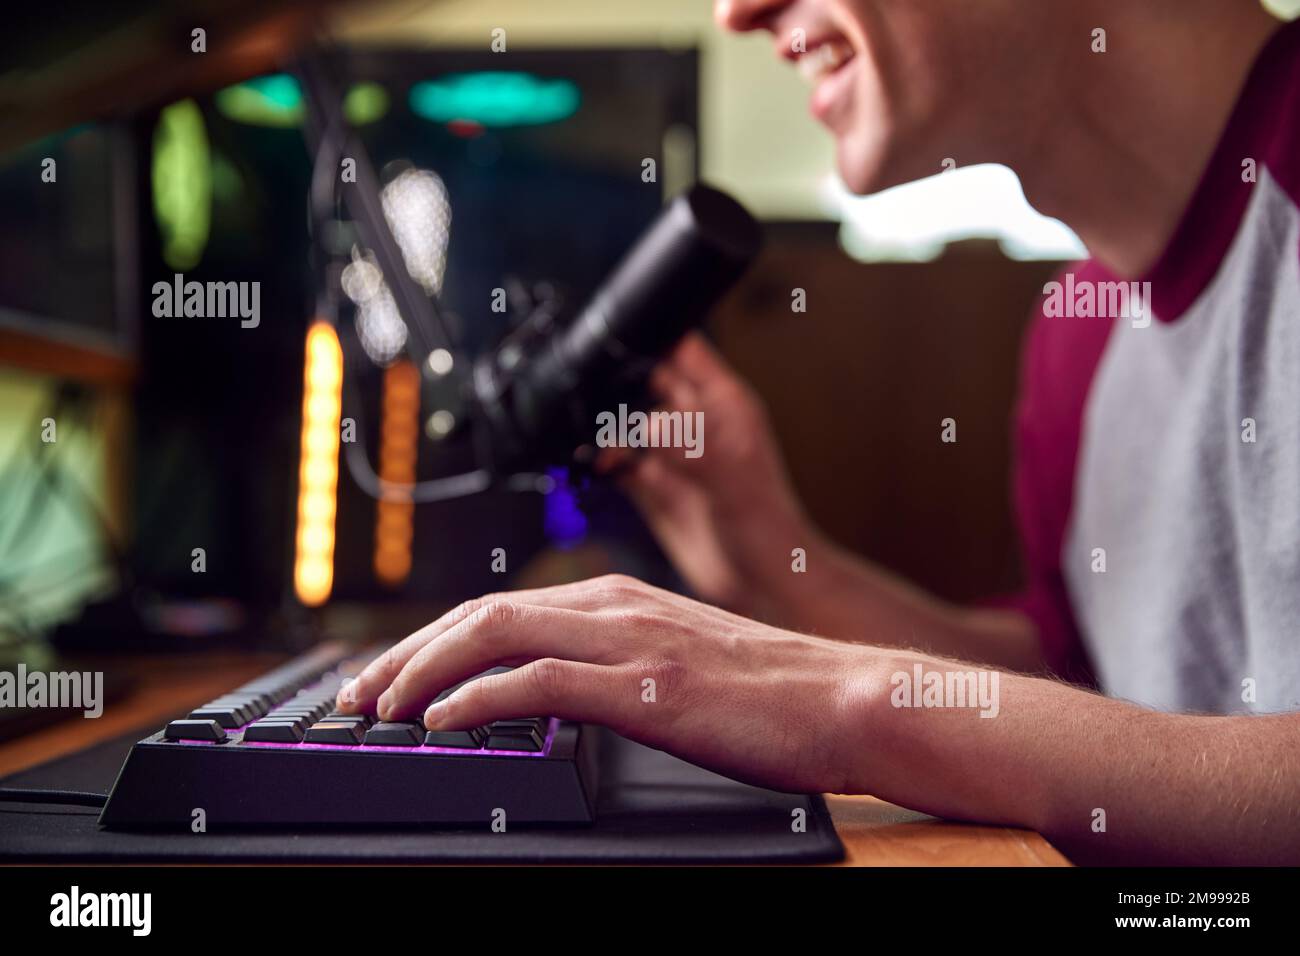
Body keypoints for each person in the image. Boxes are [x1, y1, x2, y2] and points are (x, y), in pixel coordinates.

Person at [339, 0, 1300, 864]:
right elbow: (1088, 705)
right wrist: (773, 557)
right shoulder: (1076, 328)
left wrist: (857, 709)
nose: (738, 12)